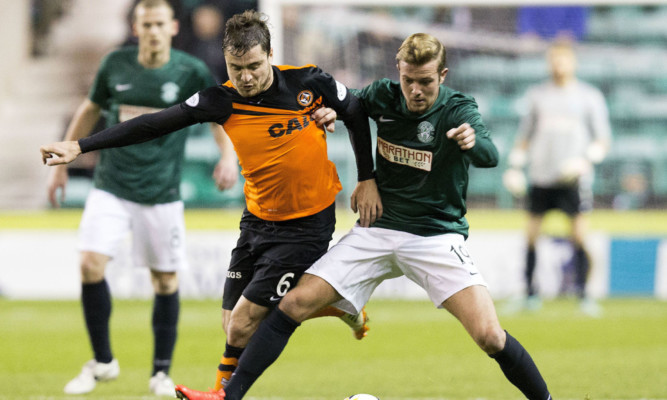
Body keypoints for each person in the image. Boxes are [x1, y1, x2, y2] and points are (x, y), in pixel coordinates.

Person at [174, 33, 554, 400]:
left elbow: (490, 155)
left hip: (436, 237)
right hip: (377, 229)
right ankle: (229, 397)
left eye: (425, 82)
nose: (415, 91)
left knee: (490, 336)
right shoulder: (384, 96)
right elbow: (350, 106)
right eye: (408, 80)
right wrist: (322, 112)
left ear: (442, 76)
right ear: (398, 71)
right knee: (293, 303)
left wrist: (474, 143)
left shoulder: (457, 109)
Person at [40, 8, 381, 397]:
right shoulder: (221, 100)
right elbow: (153, 123)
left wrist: (367, 177)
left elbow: (355, 111)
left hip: (307, 223)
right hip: (256, 220)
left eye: (253, 65)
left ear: (270, 54)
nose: (246, 77)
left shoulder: (308, 82)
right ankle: (339, 306)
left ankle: (221, 394)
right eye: (237, 68)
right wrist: (80, 146)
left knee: (242, 322)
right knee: (232, 322)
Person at [45, 0, 239, 396]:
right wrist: (65, 160)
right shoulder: (115, 64)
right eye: (145, 23)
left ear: (171, 28)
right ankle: (102, 362)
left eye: (158, 23)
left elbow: (219, 114)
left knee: (165, 280)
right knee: (89, 264)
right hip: (111, 187)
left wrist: (227, 157)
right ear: (136, 28)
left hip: (161, 193)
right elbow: (90, 108)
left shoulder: (190, 71)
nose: (152, 30)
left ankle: (160, 373)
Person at [503, 39, 611, 316]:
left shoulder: (589, 96)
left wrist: (585, 161)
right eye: (554, 59)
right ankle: (529, 294)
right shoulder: (538, 95)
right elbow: (525, 136)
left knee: (578, 235)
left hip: (573, 181)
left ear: (572, 61)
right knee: (530, 235)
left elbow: (603, 140)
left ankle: (584, 295)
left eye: (563, 59)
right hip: (541, 176)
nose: (558, 64)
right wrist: (515, 166)